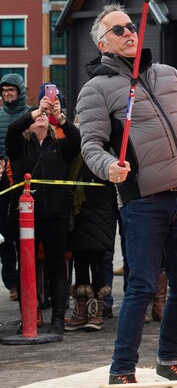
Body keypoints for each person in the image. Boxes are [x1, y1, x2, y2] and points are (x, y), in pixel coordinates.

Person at [76, 4, 177, 387]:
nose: (130, 32)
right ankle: (122, 369)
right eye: (119, 30)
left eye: (132, 26)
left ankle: (169, 358)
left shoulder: (167, 75)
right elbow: (91, 145)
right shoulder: (96, 88)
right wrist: (109, 168)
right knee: (142, 287)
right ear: (103, 43)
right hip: (144, 201)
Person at [6, 95, 80, 337]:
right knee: (26, 266)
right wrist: (35, 111)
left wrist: (60, 117)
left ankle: (58, 316)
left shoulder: (58, 146)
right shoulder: (19, 146)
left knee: (57, 265)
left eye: (44, 118)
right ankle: (29, 313)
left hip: (56, 214)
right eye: (37, 117)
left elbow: (77, 140)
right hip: (26, 215)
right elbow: (13, 128)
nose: (41, 119)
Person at [64, 121, 118, 332]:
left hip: (100, 214)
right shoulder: (75, 152)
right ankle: (82, 311)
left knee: (98, 261)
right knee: (80, 261)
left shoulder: (105, 150)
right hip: (78, 215)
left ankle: (97, 310)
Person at [0, 73, 31, 302]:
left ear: (19, 91)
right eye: (4, 91)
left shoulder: (30, 114)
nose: (7, 94)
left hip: (26, 179)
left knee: (28, 235)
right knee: (5, 235)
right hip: (3, 182)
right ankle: (11, 281)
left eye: (11, 90)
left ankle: (28, 279)